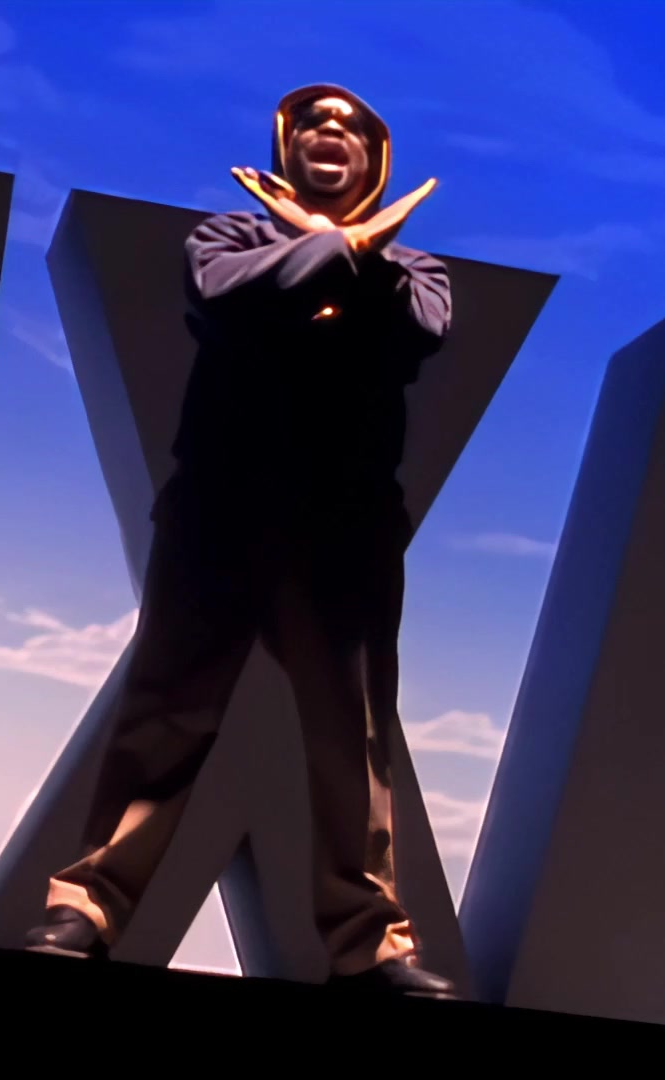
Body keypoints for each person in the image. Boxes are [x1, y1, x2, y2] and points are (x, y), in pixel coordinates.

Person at [23, 83, 455, 1000]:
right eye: (312, 123)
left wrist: (337, 255)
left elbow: (419, 331)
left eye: (350, 126)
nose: (329, 131)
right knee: (167, 712)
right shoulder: (226, 238)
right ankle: (87, 905)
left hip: (344, 534)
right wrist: (340, 248)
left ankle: (370, 944)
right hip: (218, 515)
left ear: (375, 158)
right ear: (285, 148)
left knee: (352, 738)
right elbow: (232, 296)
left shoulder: (415, 269)